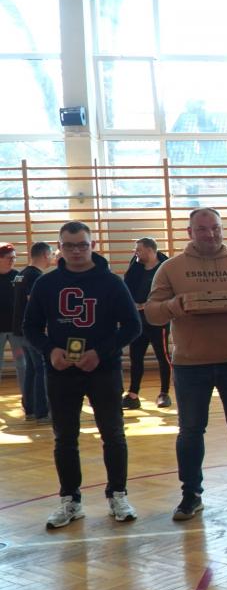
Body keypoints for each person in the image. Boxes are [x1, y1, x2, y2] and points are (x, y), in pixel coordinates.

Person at [145, 207, 227, 520]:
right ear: (190, 232)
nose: (210, 233)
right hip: (191, 363)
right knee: (191, 430)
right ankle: (190, 494)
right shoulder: (171, 268)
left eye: (215, 227)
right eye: (203, 229)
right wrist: (174, 306)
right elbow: (152, 313)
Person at [24, 221, 141, 528]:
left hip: (104, 371)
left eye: (82, 245)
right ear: (59, 248)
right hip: (61, 372)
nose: (76, 251)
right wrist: (50, 350)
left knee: (113, 434)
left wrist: (100, 352)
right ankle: (70, 500)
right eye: (69, 245)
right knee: (65, 437)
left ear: (93, 245)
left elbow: (133, 326)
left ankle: (117, 494)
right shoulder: (46, 284)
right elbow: (30, 327)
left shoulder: (112, 283)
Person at [122, 238, 171, 409]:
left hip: (158, 319)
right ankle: (133, 394)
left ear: (150, 250)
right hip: (139, 320)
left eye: (139, 250)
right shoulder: (135, 267)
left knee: (163, 356)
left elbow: (170, 292)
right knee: (136, 357)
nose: (136, 252)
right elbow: (127, 288)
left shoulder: (165, 267)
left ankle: (164, 393)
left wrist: (150, 305)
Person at [13, 241, 53, 422]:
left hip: (19, 330)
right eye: (50, 255)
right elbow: (34, 302)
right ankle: (41, 411)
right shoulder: (36, 276)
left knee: (31, 369)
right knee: (40, 369)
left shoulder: (20, 275)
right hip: (32, 331)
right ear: (45, 255)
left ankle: (29, 408)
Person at [0, 244, 17, 382]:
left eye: (14, 258)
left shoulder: (19, 276)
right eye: (9, 258)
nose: (12, 260)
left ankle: (26, 393)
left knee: (22, 362)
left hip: (16, 330)